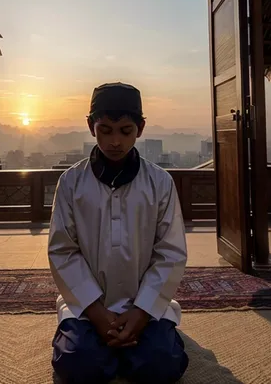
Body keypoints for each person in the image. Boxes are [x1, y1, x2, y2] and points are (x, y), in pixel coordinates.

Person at [48, 82, 188, 384]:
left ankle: (132, 341)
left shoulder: (160, 183)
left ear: (140, 128)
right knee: (78, 367)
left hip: (145, 306)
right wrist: (98, 314)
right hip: (88, 307)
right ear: (90, 126)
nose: (114, 141)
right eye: (105, 130)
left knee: (162, 367)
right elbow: (63, 250)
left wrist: (141, 311)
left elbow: (170, 252)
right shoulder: (71, 183)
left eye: (125, 131)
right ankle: (108, 343)